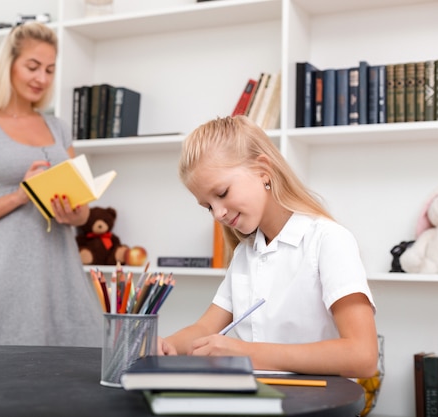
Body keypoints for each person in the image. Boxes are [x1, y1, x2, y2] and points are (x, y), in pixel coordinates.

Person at [158, 115, 378, 378]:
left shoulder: (328, 240)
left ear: (263, 171)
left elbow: (363, 357)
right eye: (208, 206)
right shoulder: (245, 253)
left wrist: (247, 354)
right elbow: (205, 328)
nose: (217, 214)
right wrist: (165, 346)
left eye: (222, 194)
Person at [0, 22, 101, 346]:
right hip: (9, 273)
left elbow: (83, 213)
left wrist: (75, 214)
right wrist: (21, 195)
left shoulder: (58, 128)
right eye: (32, 66)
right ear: (9, 65)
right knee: (8, 374)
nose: (41, 79)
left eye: (49, 69)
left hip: (63, 271)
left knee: (77, 367)